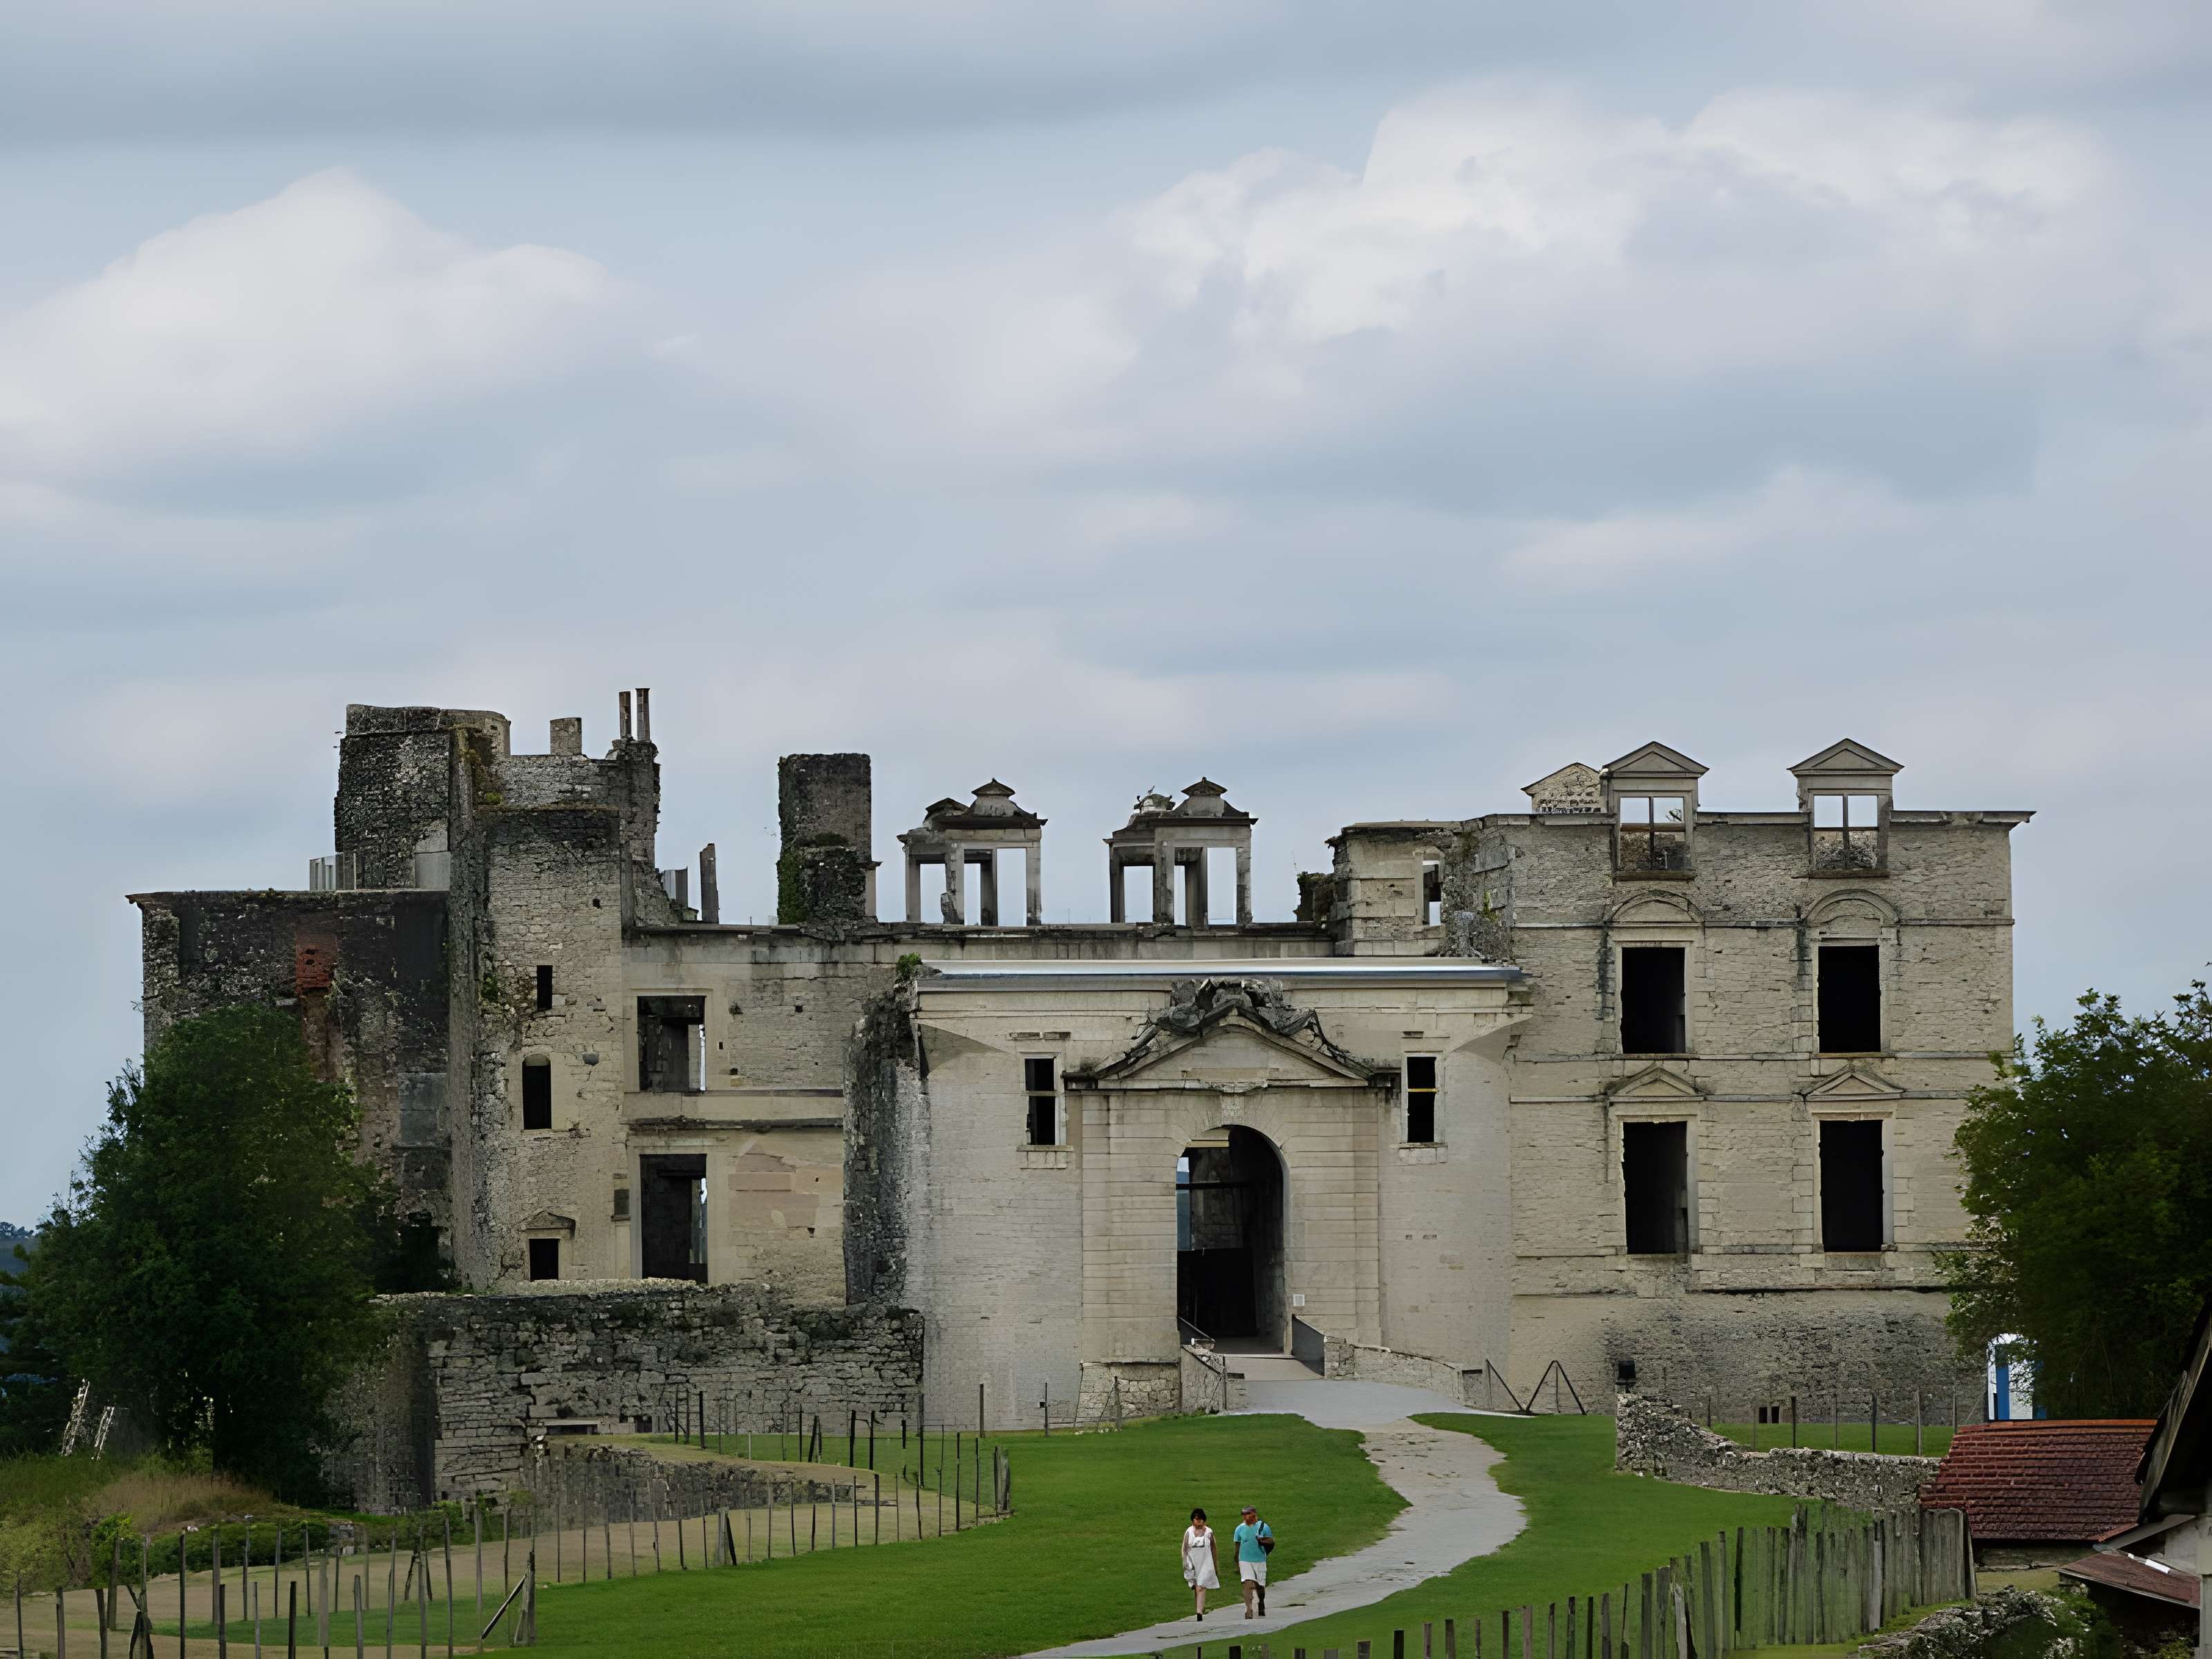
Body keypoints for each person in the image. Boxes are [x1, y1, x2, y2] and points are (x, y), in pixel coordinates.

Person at [1232, 1503, 1275, 1618]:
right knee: (1248, 1583)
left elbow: (1271, 1542)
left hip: (1260, 1559)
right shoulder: (1239, 1529)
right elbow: (1237, 1547)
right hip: (1245, 1560)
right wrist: (1237, 1562)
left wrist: (1263, 1542)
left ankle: (1261, 1603)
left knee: (1260, 1585)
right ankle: (1249, 1609)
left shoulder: (1264, 1527)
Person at [1181, 1508, 1221, 1619]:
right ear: (1192, 1520)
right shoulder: (1189, 1532)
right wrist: (1186, 1563)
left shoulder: (1209, 1532)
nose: (1199, 1521)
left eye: (1201, 1519)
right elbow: (1184, 1549)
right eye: (1196, 1519)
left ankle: (1200, 1613)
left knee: (1201, 1586)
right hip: (1193, 1563)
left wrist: (1215, 1563)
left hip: (1206, 1564)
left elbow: (1214, 1548)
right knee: (1196, 1587)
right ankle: (1198, 1609)